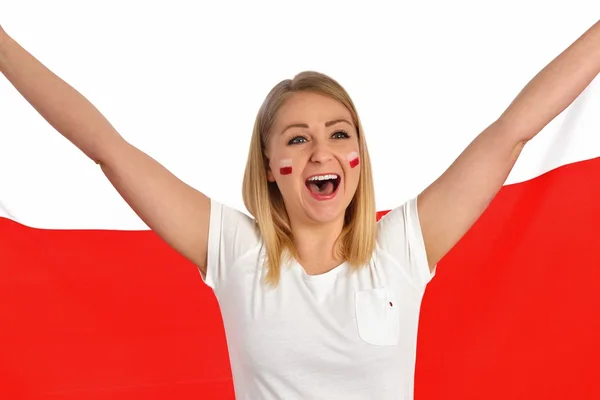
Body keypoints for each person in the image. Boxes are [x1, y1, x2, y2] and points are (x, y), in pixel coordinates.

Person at [0, 19, 599, 399]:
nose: (322, 151)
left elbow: (511, 131)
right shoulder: (234, 249)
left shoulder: (404, 247)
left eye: (340, 134)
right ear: (268, 166)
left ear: (359, 155)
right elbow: (107, 149)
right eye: (296, 138)